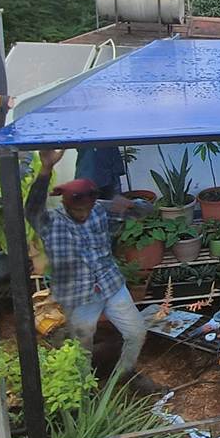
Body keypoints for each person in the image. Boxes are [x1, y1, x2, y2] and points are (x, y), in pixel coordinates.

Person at [25, 149, 161, 392]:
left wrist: (131, 204)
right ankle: (86, 389)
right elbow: (32, 209)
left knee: (136, 333)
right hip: (79, 296)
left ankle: (126, 372)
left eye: (87, 208)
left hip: (110, 285)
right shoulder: (51, 222)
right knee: (83, 345)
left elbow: (147, 211)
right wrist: (45, 169)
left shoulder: (98, 210)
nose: (83, 214)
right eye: (77, 211)